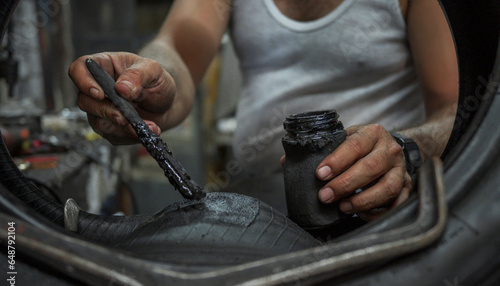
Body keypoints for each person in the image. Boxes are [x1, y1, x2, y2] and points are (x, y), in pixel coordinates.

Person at [69, 0, 458, 221]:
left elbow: (455, 112)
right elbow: (176, 50)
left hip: (377, 213)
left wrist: (405, 149)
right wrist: (151, 78)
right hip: (256, 215)